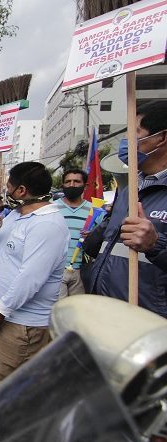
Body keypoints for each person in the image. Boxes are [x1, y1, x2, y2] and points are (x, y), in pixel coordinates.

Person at [0, 161, 69, 393]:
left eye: (8, 186)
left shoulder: (47, 224)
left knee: (14, 393)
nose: (5, 192)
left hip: (20, 326)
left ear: (21, 191)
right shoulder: (13, 215)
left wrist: (0, 310)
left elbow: (31, 277)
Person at [87, 102, 167, 317]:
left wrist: (155, 244)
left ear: (162, 138)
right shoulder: (128, 190)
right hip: (107, 313)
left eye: (135, 132)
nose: (126, 141)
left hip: (149, 324)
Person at [55, 169, 92, 298]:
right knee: (59, 314)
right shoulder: (51, 208)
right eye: (68, 181)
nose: (71, 185)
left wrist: (92, 237)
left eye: (76, 181)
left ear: (85, 186)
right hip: (56, 271)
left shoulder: (95, 211)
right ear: (62, 185)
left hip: (81, 272)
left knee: (77, 313)